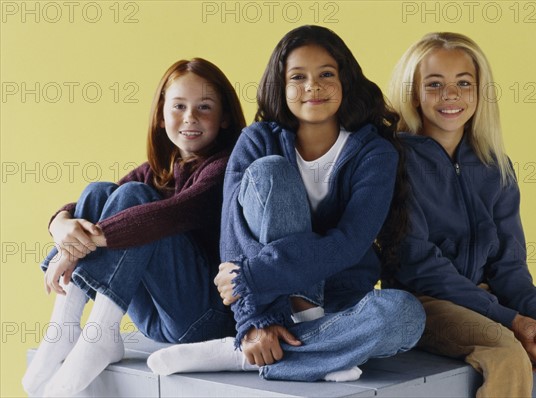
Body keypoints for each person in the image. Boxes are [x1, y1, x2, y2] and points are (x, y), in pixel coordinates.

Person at [147, 25, 425, 382]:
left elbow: (349, 243)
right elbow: (233, 234)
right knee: (271, 172)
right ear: (281, 85)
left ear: (346, 81)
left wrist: (251, 276)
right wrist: (254, 320)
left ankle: (244, 355)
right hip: (270, 305)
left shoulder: (374, 153)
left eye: (326, 74)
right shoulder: (257, 140)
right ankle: (306, 349)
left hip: (340, 302)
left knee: (406, 314)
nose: (313, 86)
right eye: (298, 77)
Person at [382, 31, 536, 397]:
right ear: (413, 94)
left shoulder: (495, 165)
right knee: (507, 354)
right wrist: (513, 322)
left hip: (490, 297)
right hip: (425, 302)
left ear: (480, 92)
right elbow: (418, 265)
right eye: (434, 84)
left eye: (463, 83)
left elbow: (509, 264)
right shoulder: (393, 162)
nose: (450, 95)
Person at [22, 58, 246, 397]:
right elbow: (99, 204)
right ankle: (66, 325)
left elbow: (172, 214)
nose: (190, 117)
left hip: (203, 320)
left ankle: (97, 334)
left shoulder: (226, 167)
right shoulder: (159, 170)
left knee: (135, 200)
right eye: (179, 106)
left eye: (204, 107)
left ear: (225, 117)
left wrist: (75, 248)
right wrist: (60, 225)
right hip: (155, 317)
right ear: (160, 115)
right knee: (100, 191)